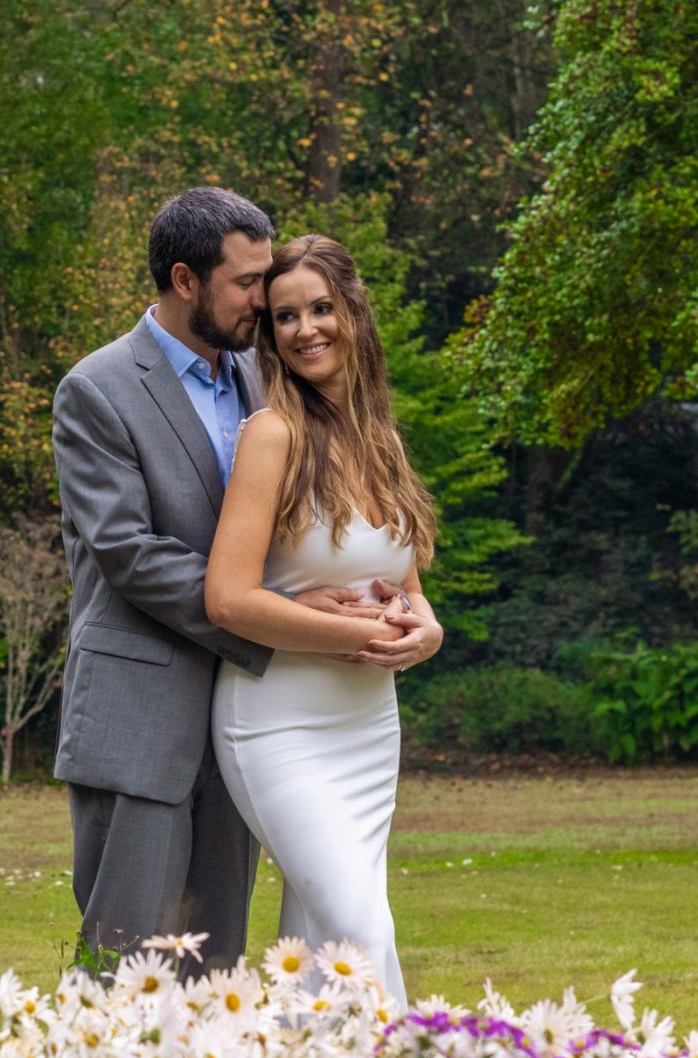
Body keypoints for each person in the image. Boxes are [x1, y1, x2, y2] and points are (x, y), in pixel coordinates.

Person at [51, 190, 392, 975]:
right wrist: (267, 609)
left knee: (219, 972)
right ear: (184, 279)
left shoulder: (266, 376)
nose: (264, 297)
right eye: (246, 282)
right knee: (127, 966)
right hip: (143, 720)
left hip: (250, 719)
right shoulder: (97, 389)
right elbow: (127, 550)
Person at [205, 233, 444, 1005]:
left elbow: (403, 583)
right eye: (284, 316)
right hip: (279, 727)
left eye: (320, 308)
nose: (306, 328)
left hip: (369, 729)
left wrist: (426, 631)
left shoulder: (382, 439)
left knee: (315, 945)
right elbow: (229, 599)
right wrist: (356, 635)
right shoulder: (272, 435)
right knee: (361, 932)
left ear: (352, 312)